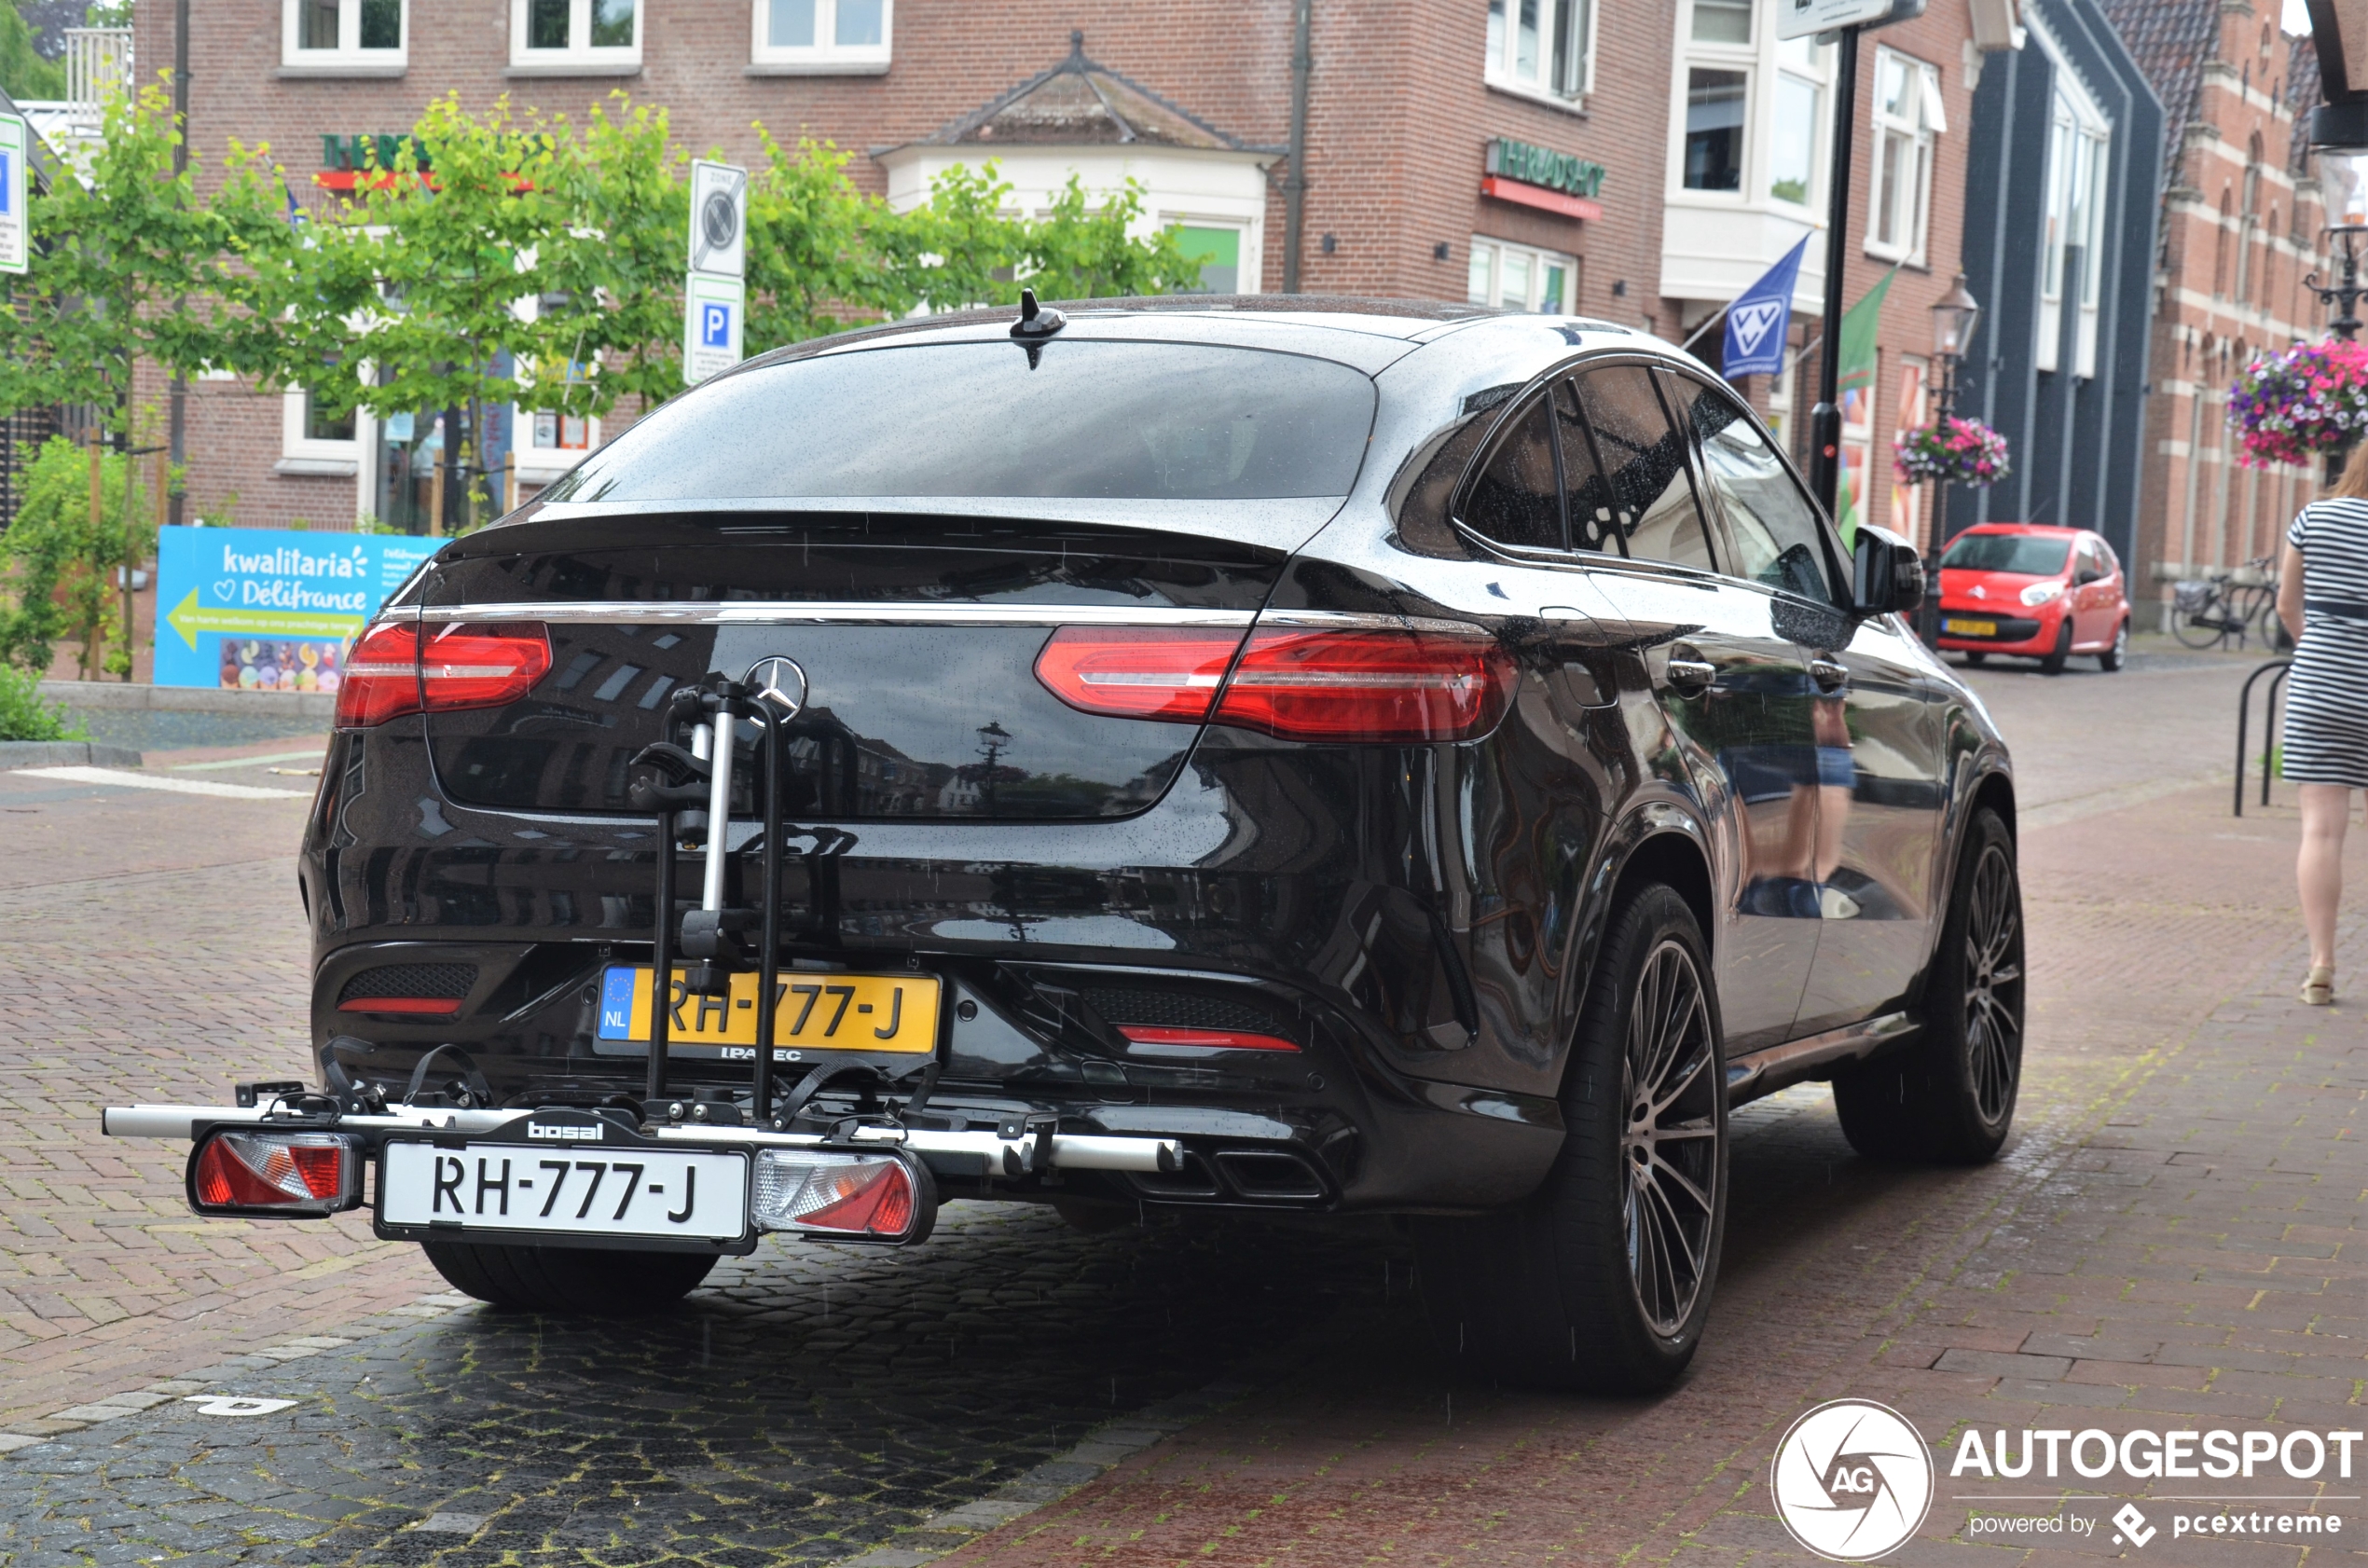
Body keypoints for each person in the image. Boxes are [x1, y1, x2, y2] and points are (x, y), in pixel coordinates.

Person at [2277, 442, 2368, 1004]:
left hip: (2319, 682)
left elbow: (2288, 604)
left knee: (2321, 830)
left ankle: (2321, 965)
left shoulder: (2315, 517)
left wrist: (2318, 650)